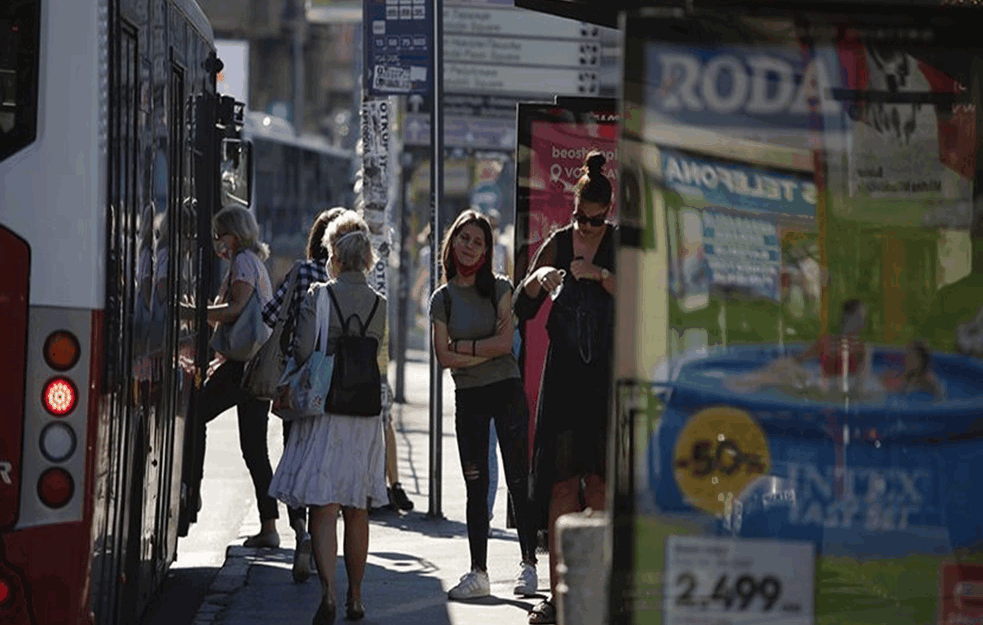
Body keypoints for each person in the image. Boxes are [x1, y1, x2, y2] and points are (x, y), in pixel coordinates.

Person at [269, 211, 388, 624]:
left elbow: (302, 350)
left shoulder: (320, 295)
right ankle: (357, 597)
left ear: (333, 255)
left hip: (326, 410)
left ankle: (330, 595)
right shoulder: (381, 304)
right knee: (358, 508)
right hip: (364, 413)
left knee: (324, 505)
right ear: (368, 258)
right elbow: (379, 356)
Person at [514, 151, 616, 624]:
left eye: (596, 221)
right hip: (564, 378)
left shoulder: (618, 244)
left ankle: (596, 591)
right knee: (559, 487)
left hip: (605, 380)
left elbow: (643, 295)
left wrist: (600, 275)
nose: (588, 228)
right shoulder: (558, 240)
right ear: (574, 208)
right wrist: (536, 281)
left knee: (598, 485)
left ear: (608, 214)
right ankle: (557, 596)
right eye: (581, 218)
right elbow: (521, 306)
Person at [430, 210, 539, 602]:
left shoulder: (501, 288)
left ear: (487, 249)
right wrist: (481, 351)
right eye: (464, 238)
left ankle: (529, 565)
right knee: (475, 486)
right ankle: (479, 572)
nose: (469, 247)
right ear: (452, 242)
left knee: (517, 479)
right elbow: (443, 356)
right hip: (469, 398)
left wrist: (464, 348)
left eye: (478, 241)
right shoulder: (441, 298)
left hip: (506, 392)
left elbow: (503, 344)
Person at [261, 207, 346, 583]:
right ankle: (320, 534)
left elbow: (268, 314)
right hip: (336, 388)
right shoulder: (351, 284)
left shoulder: (302, 271)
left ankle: (301, 535)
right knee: (324, 463)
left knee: (294, 459)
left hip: (295, 385)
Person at [190, 205, 280, 548]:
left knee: (196, 413)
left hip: (244, 366)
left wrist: (192, 312)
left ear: (235, 234)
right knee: (255, 447)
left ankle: (191, 488)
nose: (217, 243)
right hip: (254, 364)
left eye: (220, 235)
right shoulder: (254, 261)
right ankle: (269, 526)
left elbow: (236, 310)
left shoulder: (243, 262)